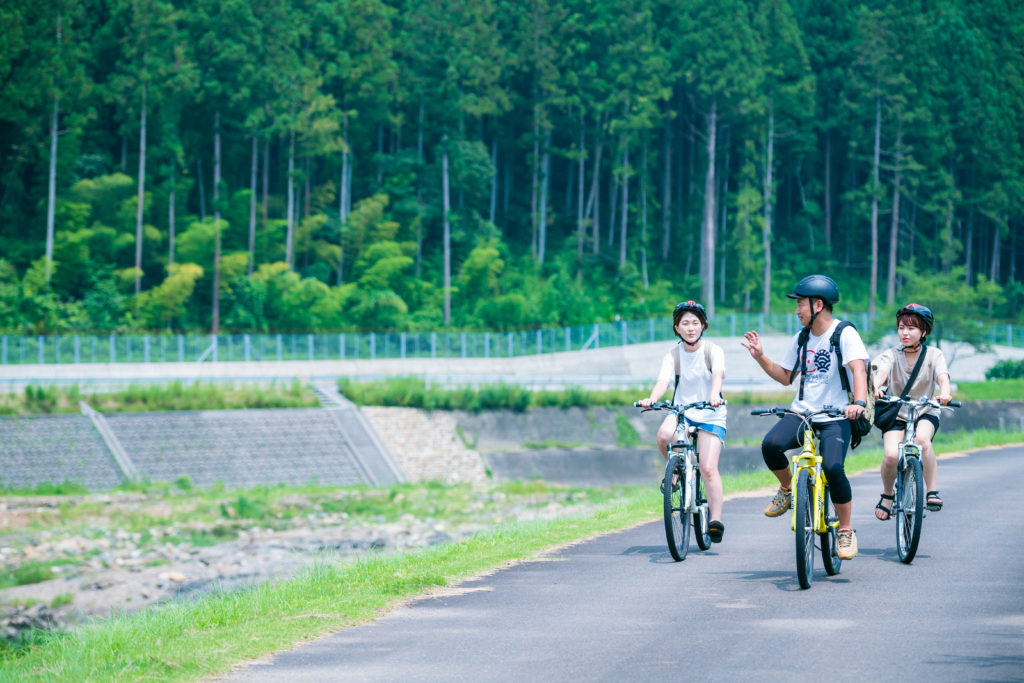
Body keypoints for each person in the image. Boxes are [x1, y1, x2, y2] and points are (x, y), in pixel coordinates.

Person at [739, 274, 868, 560]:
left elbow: (858, 369)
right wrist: (760, 357)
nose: (797, 310)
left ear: (818, 305)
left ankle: (845, 530)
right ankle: (787, 488)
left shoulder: (844, 333)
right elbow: (785, 377)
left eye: (800, 304)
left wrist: (858, 402)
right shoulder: (802, 338)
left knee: (834, 468)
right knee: (771, 445)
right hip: (804, 411)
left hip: (836, 414)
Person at [638, 300, 727, 543]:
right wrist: (652, 399)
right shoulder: (673, 354)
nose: (690, 328)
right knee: (663, 437)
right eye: (684, 323)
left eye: (695, 323)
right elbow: (663, 381)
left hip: (710, 411)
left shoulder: (713, 350)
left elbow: (717, 374)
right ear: (676, 328)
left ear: (703, 326)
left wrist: (713, 396)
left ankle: (715, 520)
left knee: (708, 468)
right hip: (683, 410)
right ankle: (678, 468)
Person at [871, 303, 952, 520]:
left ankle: (932, 490)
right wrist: (876, 387)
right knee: (890, 455)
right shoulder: (890, 354)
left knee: (922, 440)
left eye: (912, 328)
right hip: (897, 413)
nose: (905, 333)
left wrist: (944, 393)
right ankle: (887, 495)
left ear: (924, 331)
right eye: (901, 328)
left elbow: (942, 377)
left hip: (925, 410)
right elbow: (881, 373)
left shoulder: (934, 355)